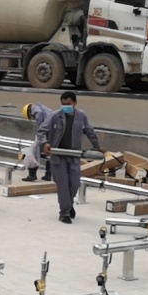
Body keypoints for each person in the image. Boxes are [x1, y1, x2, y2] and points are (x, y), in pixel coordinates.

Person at [36, 91, 104, 224]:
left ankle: (68, 204)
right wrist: (45, 143)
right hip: (58, 156)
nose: (65, 107)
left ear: (74, 103)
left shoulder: (81, 116)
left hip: (74, 155)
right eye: (63, 104)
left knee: (74, 184)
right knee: (63, 186)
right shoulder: (55, 115)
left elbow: (89, 131)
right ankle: (64, 213)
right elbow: (41, 130)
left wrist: (98, 146)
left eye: (68, 104)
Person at [21, 102, 53, 182]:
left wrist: (41, 138)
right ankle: (49, 174)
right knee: (50, 153)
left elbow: (41, 127)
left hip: (46, 134)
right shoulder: (44, 109)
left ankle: (32, 174)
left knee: (34, 152)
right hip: (53, 134)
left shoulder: (37, 111)